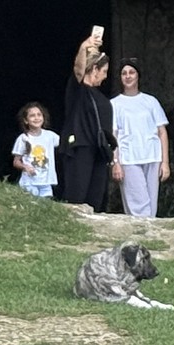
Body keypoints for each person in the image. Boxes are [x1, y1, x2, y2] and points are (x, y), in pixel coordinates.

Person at [59, 28, 117, 213]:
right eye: (104, 71)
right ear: (94, 69)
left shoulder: (101, 97)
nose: (106, 76)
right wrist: (85, 46)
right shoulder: (78, 90)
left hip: (99, 150)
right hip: (80, 146)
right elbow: (78, 70)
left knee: (96, 198)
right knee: (77, 195)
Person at [109, 60, 172, 219]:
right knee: (138, 204)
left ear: (138, 76)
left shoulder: (151, 101)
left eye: (131, 72)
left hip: (152, 156)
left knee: (151, 203)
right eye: (124, 73)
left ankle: (149, 231)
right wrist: (116, 163)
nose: (128, 76)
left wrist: (165, 162)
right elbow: (113, 135)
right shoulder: (114, 104)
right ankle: (142, 230)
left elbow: (162, 132)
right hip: (129, 158)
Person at [11, 103, 58, 200]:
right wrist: (25, 167)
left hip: (46, 182)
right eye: (32, 116)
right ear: (26, 120)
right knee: (32, 204)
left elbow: (65, 145)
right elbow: (16, 161)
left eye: (39, 115)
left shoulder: (51, 136)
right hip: (29, 182)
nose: (36, 118)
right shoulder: (23, 138)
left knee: (46, 206)